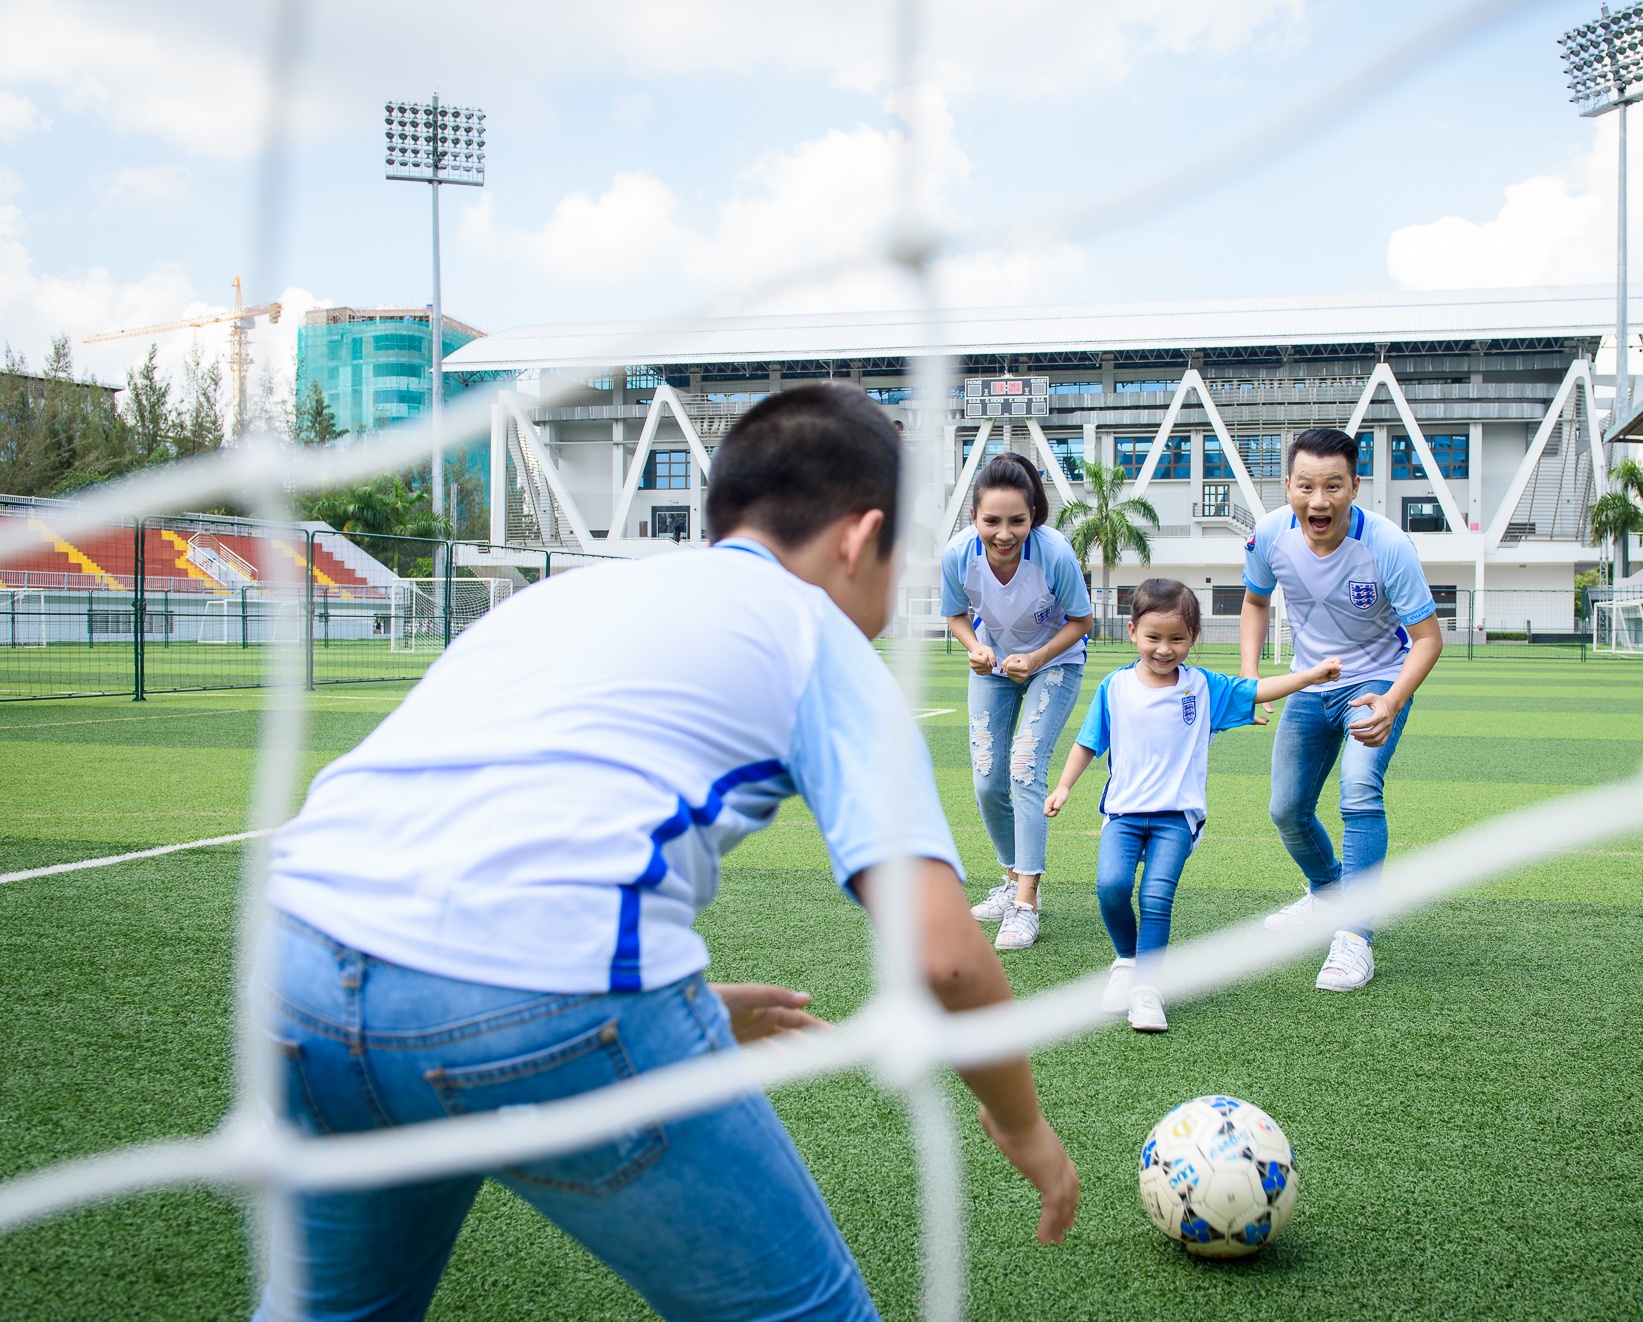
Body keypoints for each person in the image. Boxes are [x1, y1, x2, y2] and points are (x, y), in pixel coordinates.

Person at [257, 384, 1079, 1322]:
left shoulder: (574, 595)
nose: (892, 609)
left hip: (301, 969)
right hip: (551, 994)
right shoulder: (813, 628)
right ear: (860, 540)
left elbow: (489, 833)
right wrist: (1020, 1123)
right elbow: (942, 956)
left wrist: (677, 1008)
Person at [1043, 579, 1340, 1032]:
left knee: (1156, 896)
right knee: (1111, 887)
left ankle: (1148, 989)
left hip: (1176, 817)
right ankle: (1126, 962)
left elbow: (1256, 691)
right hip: (1122, 813)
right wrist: (1064, 787)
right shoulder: (1115, 687)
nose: (1164, 650)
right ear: (1132, 632)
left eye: (1177, 639)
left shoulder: (1203, 687)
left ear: (1193, 639)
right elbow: (1088, 742)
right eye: (1153, 638)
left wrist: (1309, 677)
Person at [1238, 427, 1444, 993]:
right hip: (1310, 684)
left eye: (1333, 486)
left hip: (1375, 681)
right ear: (1288, 486)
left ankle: (1354, 938)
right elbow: (1255, 603)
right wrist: (1253, 678)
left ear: (1356, 486)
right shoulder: (1269, 536)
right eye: (1305, 486)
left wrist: (1393, 699)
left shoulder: (1389, 546)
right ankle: (1328, 895)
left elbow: (1427, 638)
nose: (1318, 500)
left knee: (1358, 789)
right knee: (1286, 809)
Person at [941, 453, 1093, 953]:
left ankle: (1026, 901)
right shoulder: (958, 555)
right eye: (992, 521)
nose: (1004, 534)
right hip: (995, 662)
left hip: (1056, 661)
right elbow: (956, 615)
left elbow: (1081, 620)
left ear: (1034, 516)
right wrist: (975, 649)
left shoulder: (1054, 554)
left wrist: (1038, 655)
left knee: (1025, 767)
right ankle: (1011, 878)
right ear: (974, 518)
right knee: (987, 780)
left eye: (1017, 521)